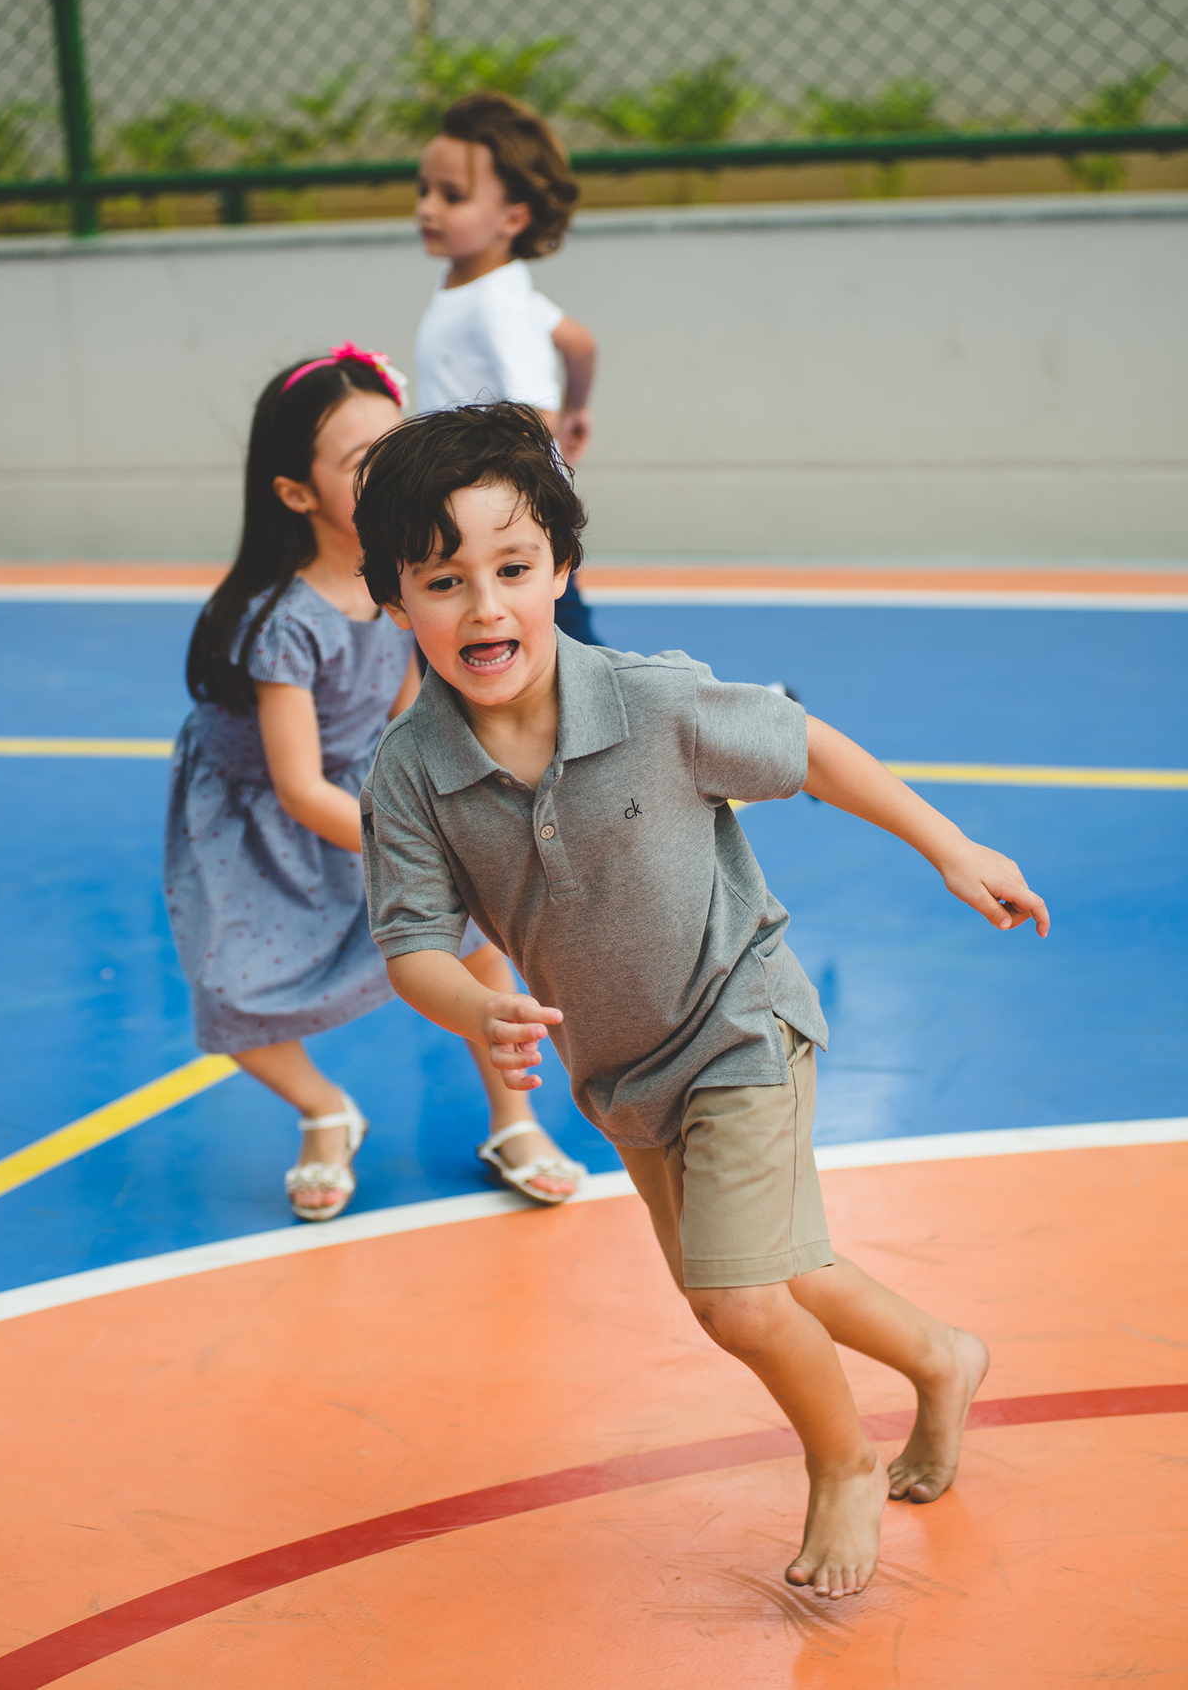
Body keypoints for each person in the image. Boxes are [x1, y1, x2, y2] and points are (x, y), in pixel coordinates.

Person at [353, 403, 1051, 1598]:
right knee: (784, 1274)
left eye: (512, 568)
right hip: (624, 1073)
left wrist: (950, 844)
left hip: (740, 1020)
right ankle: (944, 1356)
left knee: (736, 1301)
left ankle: (841, 1459)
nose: (484, 607)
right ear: (392, 597)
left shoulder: (654, 701)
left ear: (561, 568)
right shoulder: (411, 773)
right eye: (443, 579)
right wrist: (473, 1009)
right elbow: (413, 941)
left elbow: (806, 749)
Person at [164, 349, 585, 1222]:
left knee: (475, 938)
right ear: (296, 493)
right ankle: (325, 1110)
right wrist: (416, 841)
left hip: (357, 787)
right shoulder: (283, 621)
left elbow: (407, 711)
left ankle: (514, 1119)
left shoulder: (405, 575)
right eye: (363, 461)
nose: (392, 467)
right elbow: (297, 787)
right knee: (233, 994)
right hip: (264, 820)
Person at [413, 90, 600, 647]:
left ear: (514, 217)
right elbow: (580, 343)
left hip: (505, 523)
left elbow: (534, 415)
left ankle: (719, 703)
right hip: (488, 515)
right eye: (424, 190)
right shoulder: (489, 284)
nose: (427, 208)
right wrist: (580, 406)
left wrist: (521, 513)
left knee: (575, 661)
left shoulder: (496, 305)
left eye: (452, 196)